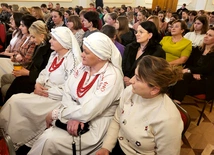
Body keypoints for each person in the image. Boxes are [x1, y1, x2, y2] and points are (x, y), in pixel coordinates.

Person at [28, 32, 124, 155]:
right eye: (83, 50)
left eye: (86, 52)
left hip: (94, 126)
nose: (82, 55)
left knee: (49, 139)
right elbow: (67, 91)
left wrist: (58, 113)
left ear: (100, 56)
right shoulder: (83, 66)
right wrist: (73, 116)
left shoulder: (112, 77)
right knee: (46, 135)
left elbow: (90, 110)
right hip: (74, 116)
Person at [0, 27, 82, 154]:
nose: (50, 41)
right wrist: (38, 84)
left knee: (16, 102)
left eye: (54, 39)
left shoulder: (73, 61)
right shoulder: (55, 55)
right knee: (14, 100)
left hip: (56, 99)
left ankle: (13, 140)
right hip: (43, 92)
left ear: (63, 42)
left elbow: (70, 89)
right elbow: (44, 73)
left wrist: (47, 92)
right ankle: (7, 136)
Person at [96, 55, 183, 155]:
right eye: (134, 75)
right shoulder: (130, 91)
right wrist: (106, 147)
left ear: (154, 89)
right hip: (120, 146)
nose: (131, 81)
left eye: (137, 78)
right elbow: (117, 120)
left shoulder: (168, 119)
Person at [2, 20, 53, 102]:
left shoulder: (49, 51)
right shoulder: (40, 46)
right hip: (32, 76)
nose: (31, 40)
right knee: (12, 81)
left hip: (38, 81)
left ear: (42, 36)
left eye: (33, 37)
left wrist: (27, 72)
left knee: (12, 86)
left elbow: (46, 73)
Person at [171, 27, 214, 104]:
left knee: (180, 82)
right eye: (206, 34)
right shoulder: (198, 49)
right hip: (192, 76)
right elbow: (188, 63)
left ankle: (175, 102)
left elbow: (207, 69)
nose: (206, 36)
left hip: (206, 80)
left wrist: (190, 70)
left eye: (210, 35)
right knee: (178, 79)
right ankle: (175, 102)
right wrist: (192, 72)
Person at [122, 21, 165, 86]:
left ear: (150, 35)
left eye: (141, 32)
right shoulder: (130, 47)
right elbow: (123, 65)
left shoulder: (157, 52)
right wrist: (124, 78)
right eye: (136, 32)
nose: (137, 34)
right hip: (124, 81)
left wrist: (133, 80)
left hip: (144, 85)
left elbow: (152, 73)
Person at [0, 15, 37, 86]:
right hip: (17, 62)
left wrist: (16, 57)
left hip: (22, 66)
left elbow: (27, 61)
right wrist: (15, 56)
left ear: (29, 27)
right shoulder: (24, 36)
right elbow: (17, 53)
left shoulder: (32, 40)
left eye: (22, 26)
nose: (20, 27)